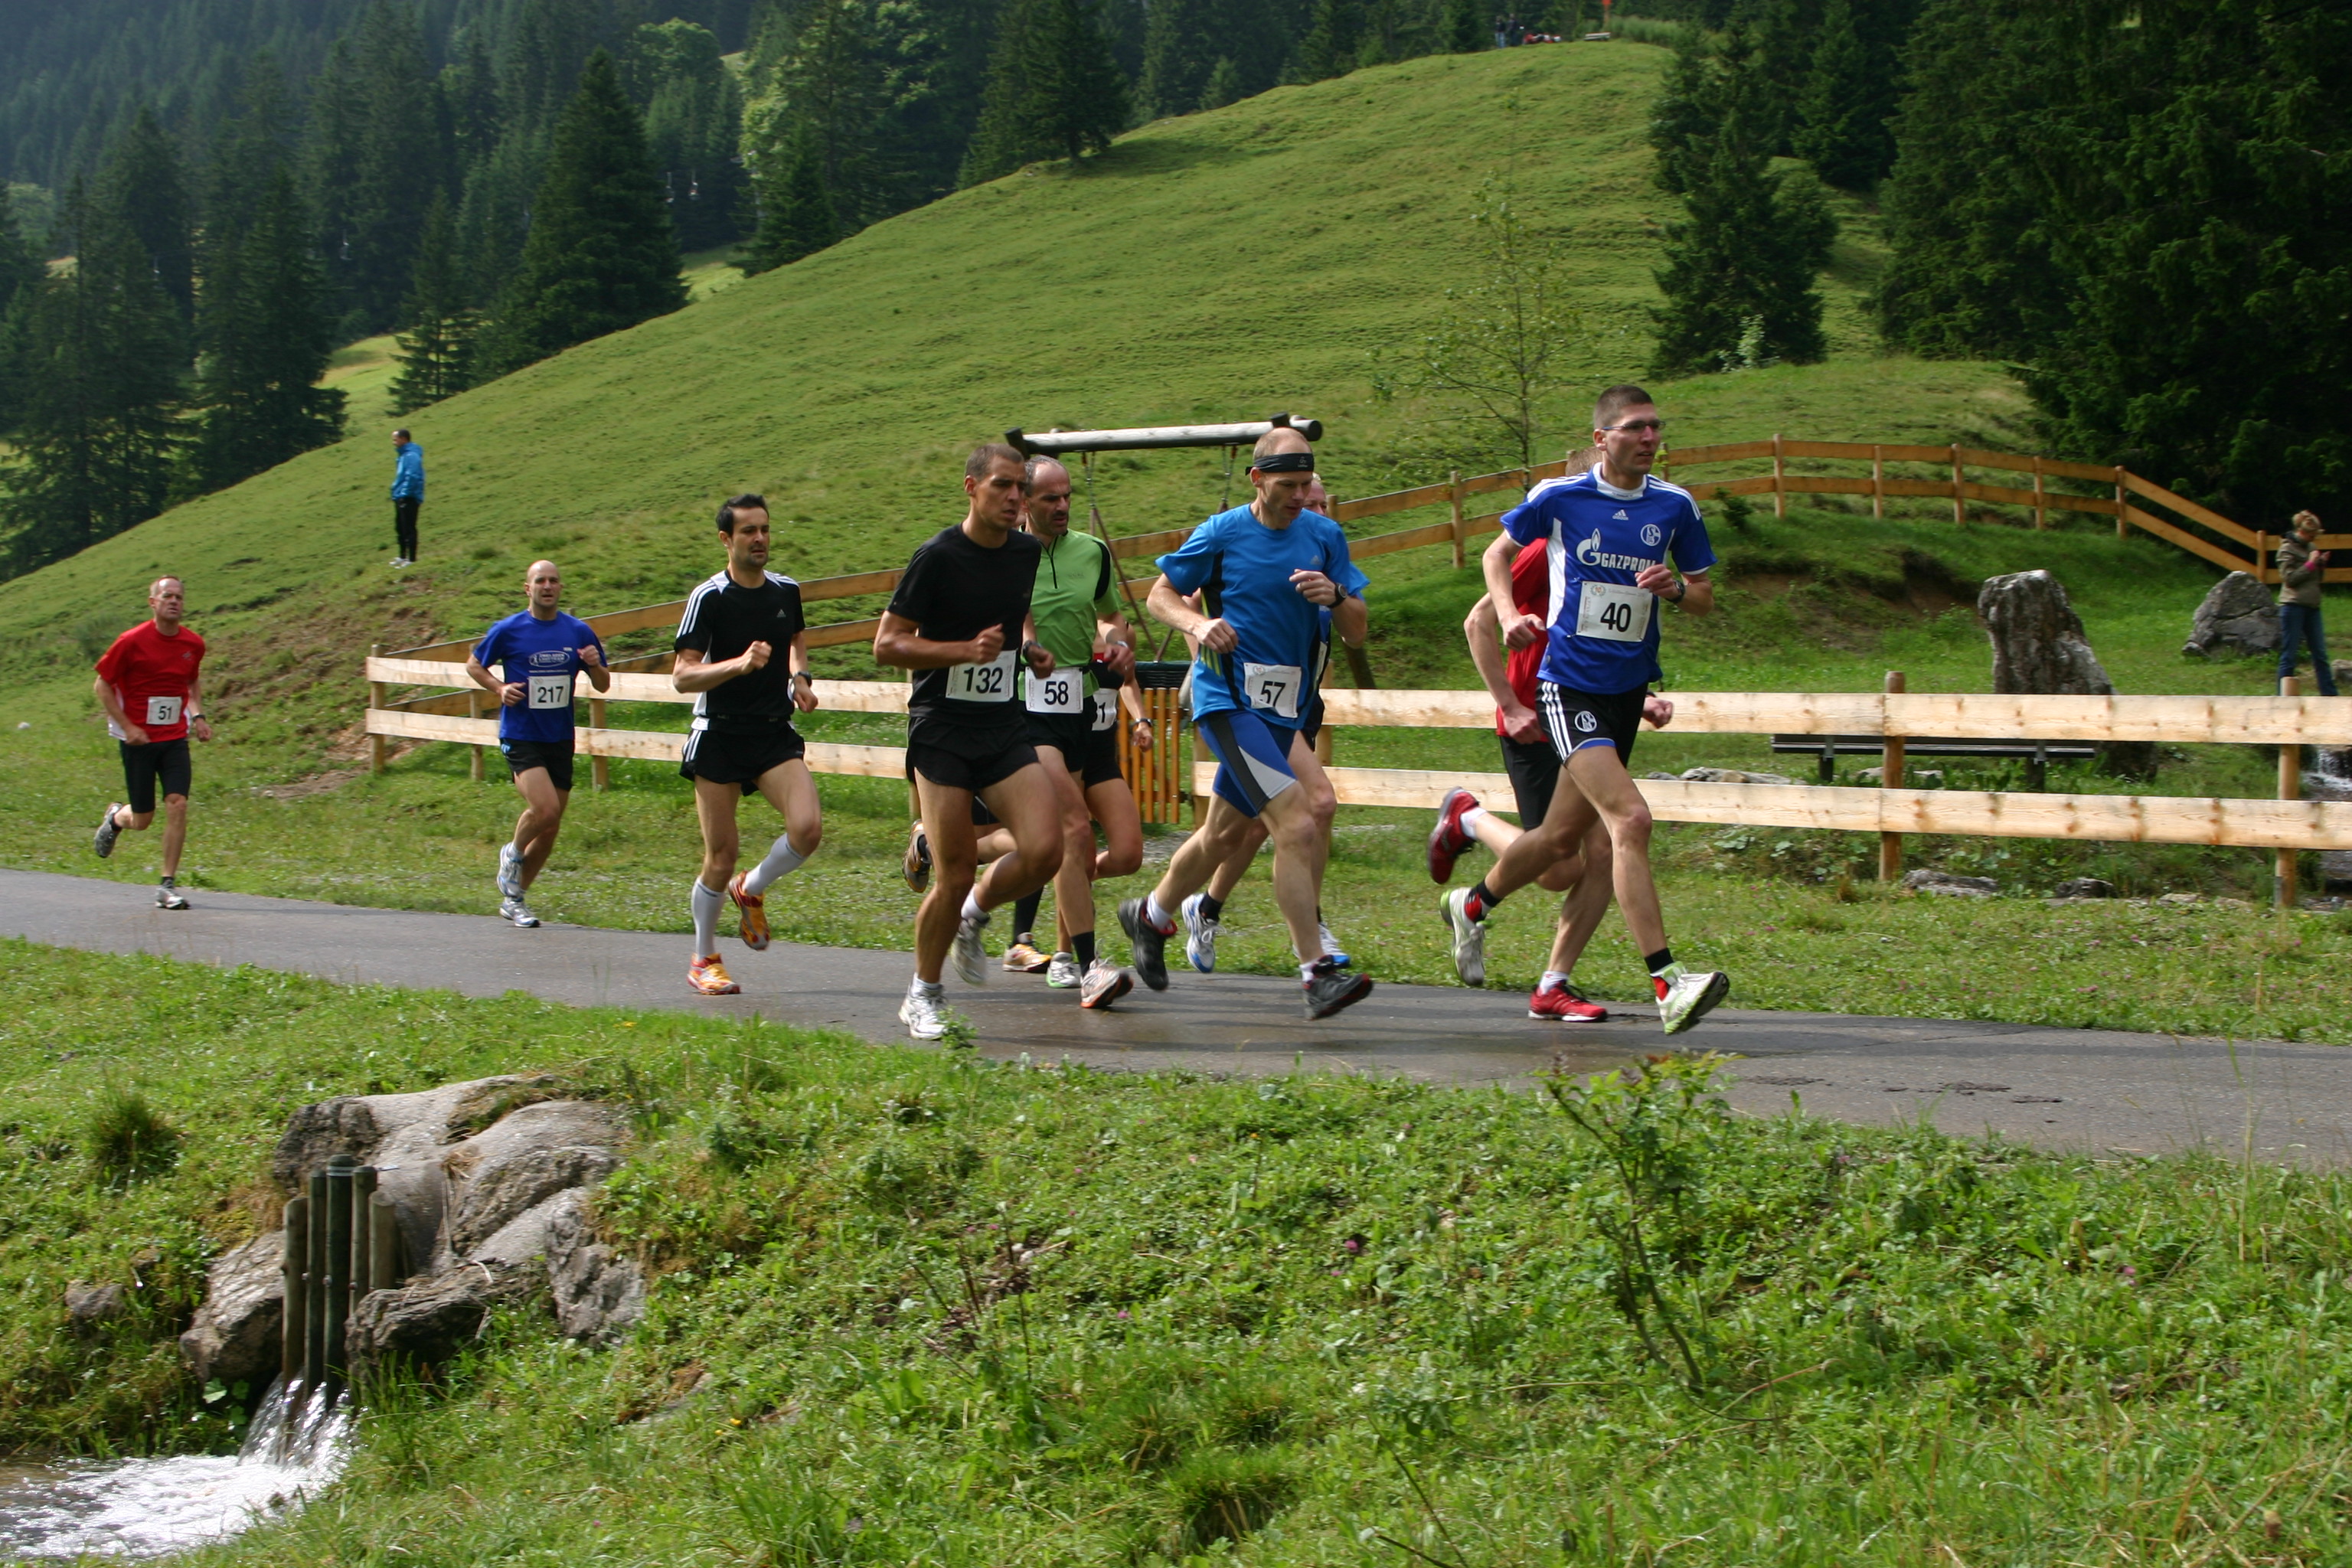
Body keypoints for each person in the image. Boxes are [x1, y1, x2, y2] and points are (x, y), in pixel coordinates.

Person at [1439, 385, 1730, 1034]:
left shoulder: (1675, 505)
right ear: (1603, 439)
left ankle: (1478, 911)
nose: (1650, 438)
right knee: (1630, 821)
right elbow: (1495, 554)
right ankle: (1668, 982)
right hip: (1567, 686)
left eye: (1656, 427)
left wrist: (1677, 589)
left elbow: (1706, 595)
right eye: (1635, 428)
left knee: (1569, 844)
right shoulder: (1560, 497)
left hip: (1625, 692)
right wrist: (1513, 615)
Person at [1118, 429, 1374, 1019]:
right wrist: (1198, 625)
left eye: (1305, 485)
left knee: (1223, 837)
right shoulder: (1223, 532)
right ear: (1257, 480)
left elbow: (1358, 630)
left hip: (1282, 710)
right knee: (1296, 822)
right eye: (1286, 486)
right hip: (1227, 701)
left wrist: (1336, 597)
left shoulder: (1324, 536)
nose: (1297, 497)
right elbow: (1160, 595)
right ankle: (1316, 973)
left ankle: (1151, 916)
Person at [1428, 492, 1677, 1020]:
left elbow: (1610, 629)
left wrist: (1642, 697)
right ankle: (1469, 822)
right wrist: (1510, 705)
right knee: (1557, 869)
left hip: (1586, 709)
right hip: (1534, 719)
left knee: (1603, 850)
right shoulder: (1546, 547)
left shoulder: (1624, 554)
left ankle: (1553, 984)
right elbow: (1478, 624)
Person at [876, 444, 1066, 1040]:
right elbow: (887, 644)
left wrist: (1027, 651)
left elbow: (1008, 624)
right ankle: (923, 995)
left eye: (1020, 490)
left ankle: (974, 917)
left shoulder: (1027, 552)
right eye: (1003, 487)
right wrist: (962, 651)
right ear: (971, 488)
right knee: (952, 870)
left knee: (1046, 849)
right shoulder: (936, 557)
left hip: (1001, 721)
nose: (1015, 499)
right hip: (942, 728)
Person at [990, 456, 1150, 1008]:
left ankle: (987, 873)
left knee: (1122, 850)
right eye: (1049, 499)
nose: (1061, 508)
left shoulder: (1093, 551)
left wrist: (1118, 641)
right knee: (1074, 828)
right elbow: (1012, 620)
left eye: (1067, 498)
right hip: (1025, 705)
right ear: (1025, 501)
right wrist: (1027, 645)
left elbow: (1110, 616)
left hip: (1083, 706)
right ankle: (1082, 964)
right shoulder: (1007, 553)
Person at [1179, 474, 1347, 976]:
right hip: (1244, 701)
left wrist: (1337, 597)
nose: (1312, 511)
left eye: (1321, 504)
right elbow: (1187, 601)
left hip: (1293, 703)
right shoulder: (1246, 541)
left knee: (1239, 831)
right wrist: (1210, 659)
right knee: (1312, 805)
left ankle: (1194, 908)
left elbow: (1353, 626)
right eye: (1305, 501)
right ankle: (1312, 941)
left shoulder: (1320, 552)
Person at [672, 494, 824, 995]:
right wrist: (736, 665)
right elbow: (682, 676)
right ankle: (703, 958)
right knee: (721, 854)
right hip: (719, 733)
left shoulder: (786, 590)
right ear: (726, 540)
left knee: (807, 829)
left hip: (771, 732)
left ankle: (751, 888)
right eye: (747, 532)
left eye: (764, 530)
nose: (759, 539)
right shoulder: (709, 598)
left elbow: (796, 639)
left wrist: (799, 677)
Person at [465, 559, 610, 927]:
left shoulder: (578, 632)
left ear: (561, 588)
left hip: (559, 738)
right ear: (527, 589)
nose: (548, 586)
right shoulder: (509, 630)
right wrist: (499, 688)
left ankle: (515, 899)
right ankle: (512, 853)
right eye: (540, 581)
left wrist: (594, 665)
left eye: (554, 581)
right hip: (521, 734)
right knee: (544, 810)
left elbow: (604, 684)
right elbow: (473, 665)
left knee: (550, 827)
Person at [91, 577, 211, 907]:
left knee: (178, 803)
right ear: (153, 603)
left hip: (174, 738)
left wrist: (198, 717)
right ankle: (117, 818)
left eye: (179, 597)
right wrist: (128, 726)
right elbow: (101, 685)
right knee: (142, 820)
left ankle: (166, 885)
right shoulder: (131, 641)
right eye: (167, 596)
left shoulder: (193, 644)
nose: (174, 602)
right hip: (138, 741)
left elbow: (191, 681)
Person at [2277, 510, 2337, 697]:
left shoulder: (2311, 547)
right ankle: (2284, 696)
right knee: (2290, 654)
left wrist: (2320, 565)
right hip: (2293, 606)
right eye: (2312, 535)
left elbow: (2316, 579)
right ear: (2302, 532)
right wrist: (2310, 564)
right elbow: (2290, 579)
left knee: (2320, 654)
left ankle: (2330, 695)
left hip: (2312, 606)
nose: (2314, 539)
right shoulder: (2286, 549)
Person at [390, 428, 424, 567]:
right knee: (400, 527)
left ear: (404, 439)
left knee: (409, 527)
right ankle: (402, 556)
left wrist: (405, 493)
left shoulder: (411, 456)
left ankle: (411, 559)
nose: (394, 443)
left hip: (408, 496)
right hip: (400, 495)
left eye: (395, 439)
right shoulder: (403, 455)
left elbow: (413, 476)